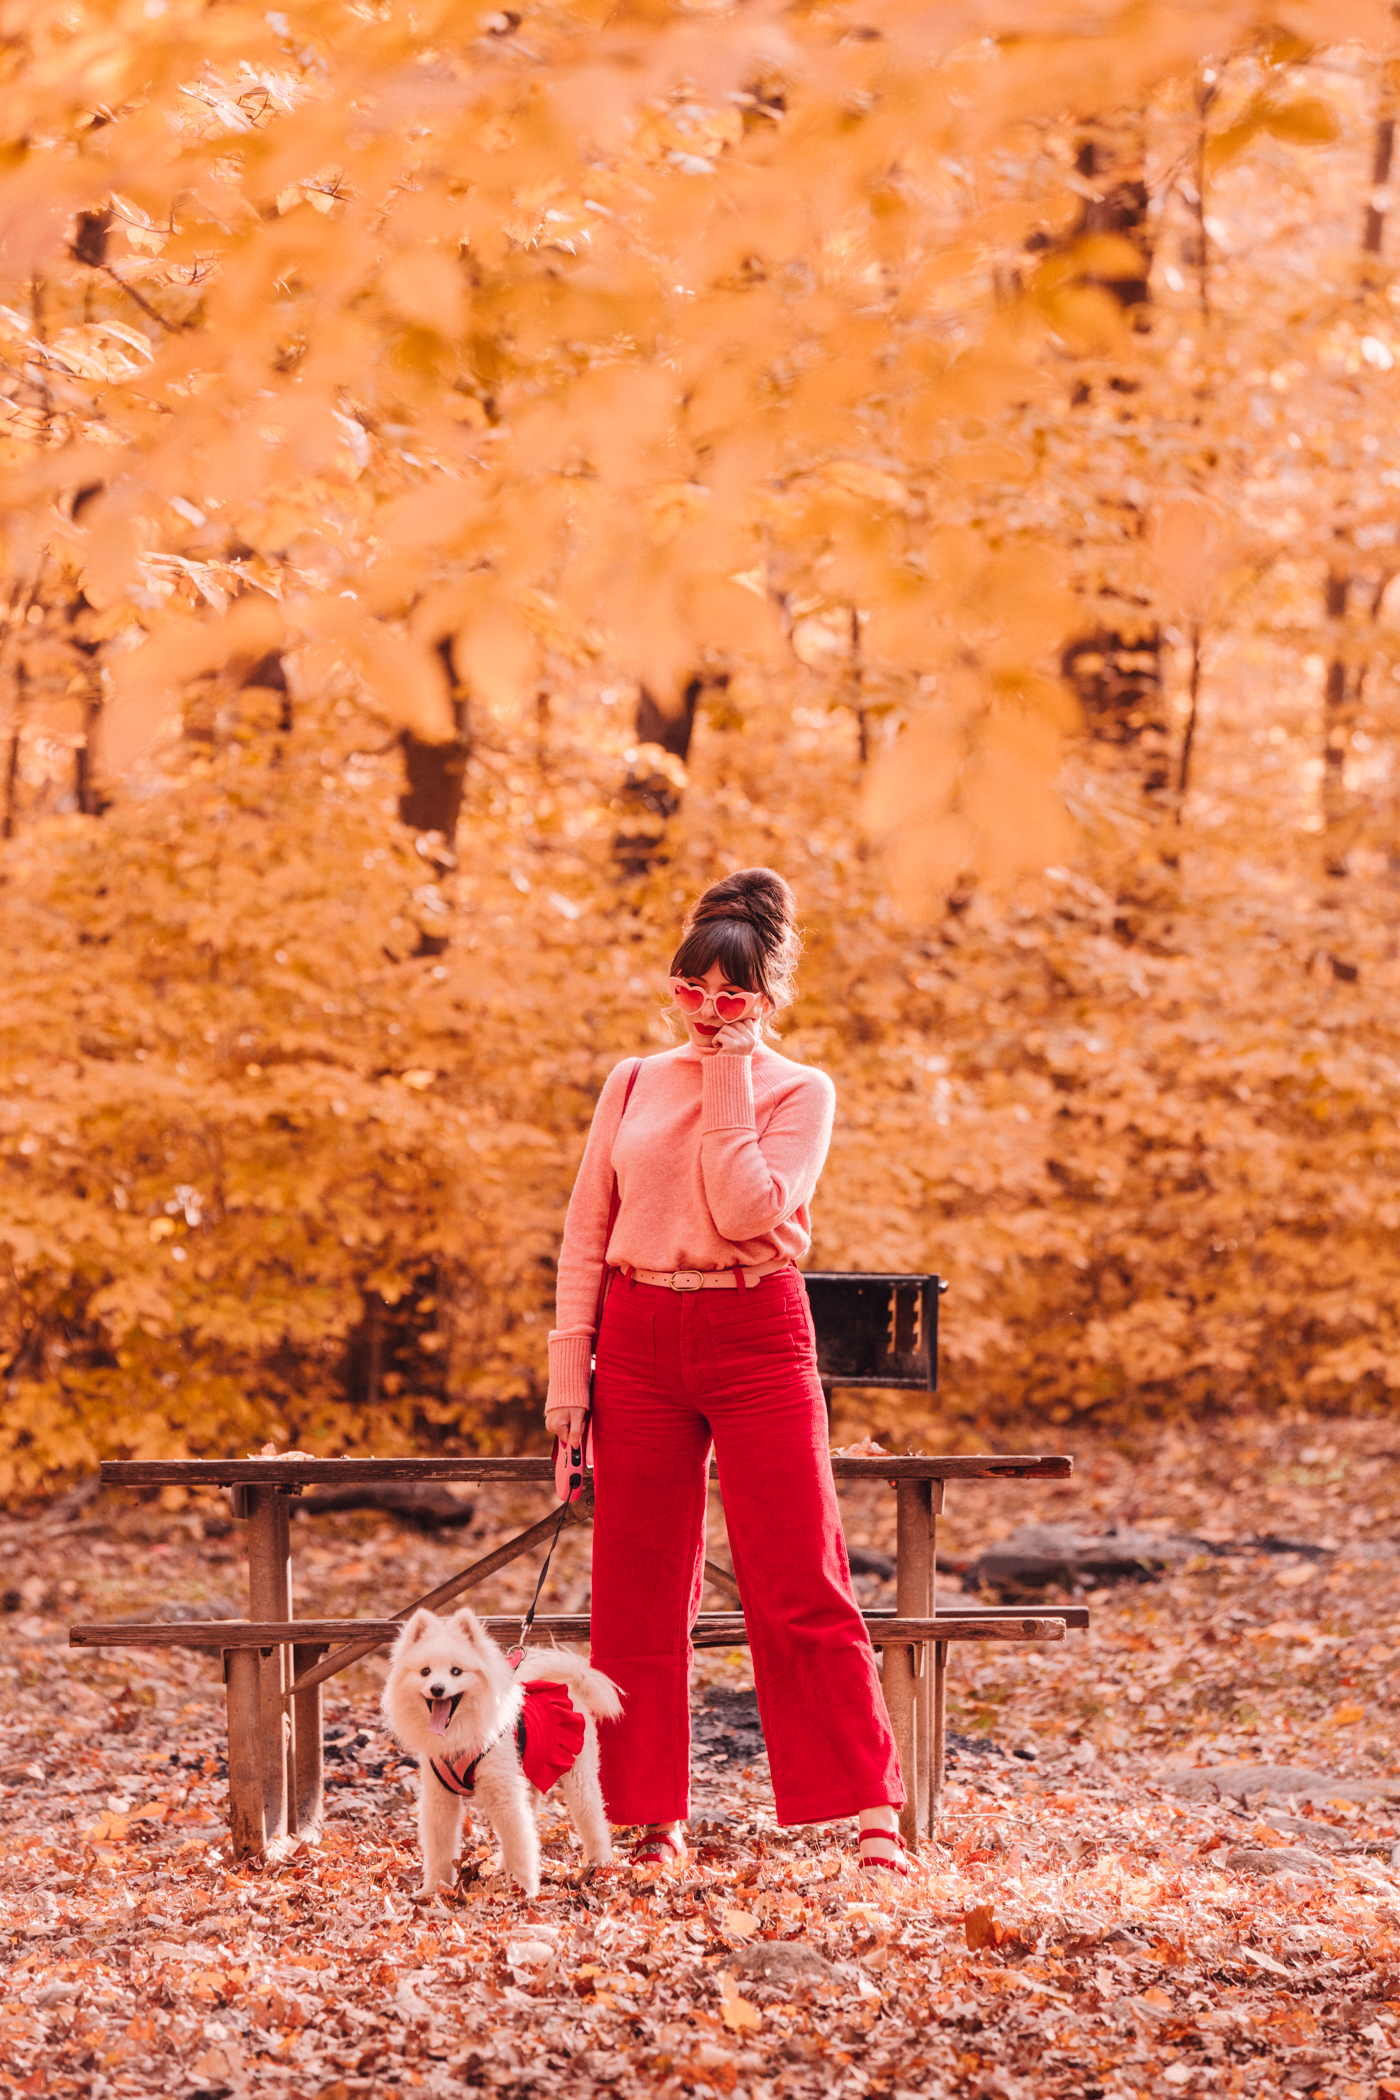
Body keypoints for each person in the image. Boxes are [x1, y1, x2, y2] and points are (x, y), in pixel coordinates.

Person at [544, 867, 907, 1877]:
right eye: (689, 991)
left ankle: (869, 1808)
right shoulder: (629, 1081)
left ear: (766, 1002)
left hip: (754, 1335)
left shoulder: (800, 1091)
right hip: (636, 1337)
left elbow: (749, 1210)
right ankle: (646, 1814)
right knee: (636, 1590)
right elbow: (585, 1235)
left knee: (798, 1577)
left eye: (731, 998)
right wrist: (567, 1389)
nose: (706, 1014)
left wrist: (732, 1079)